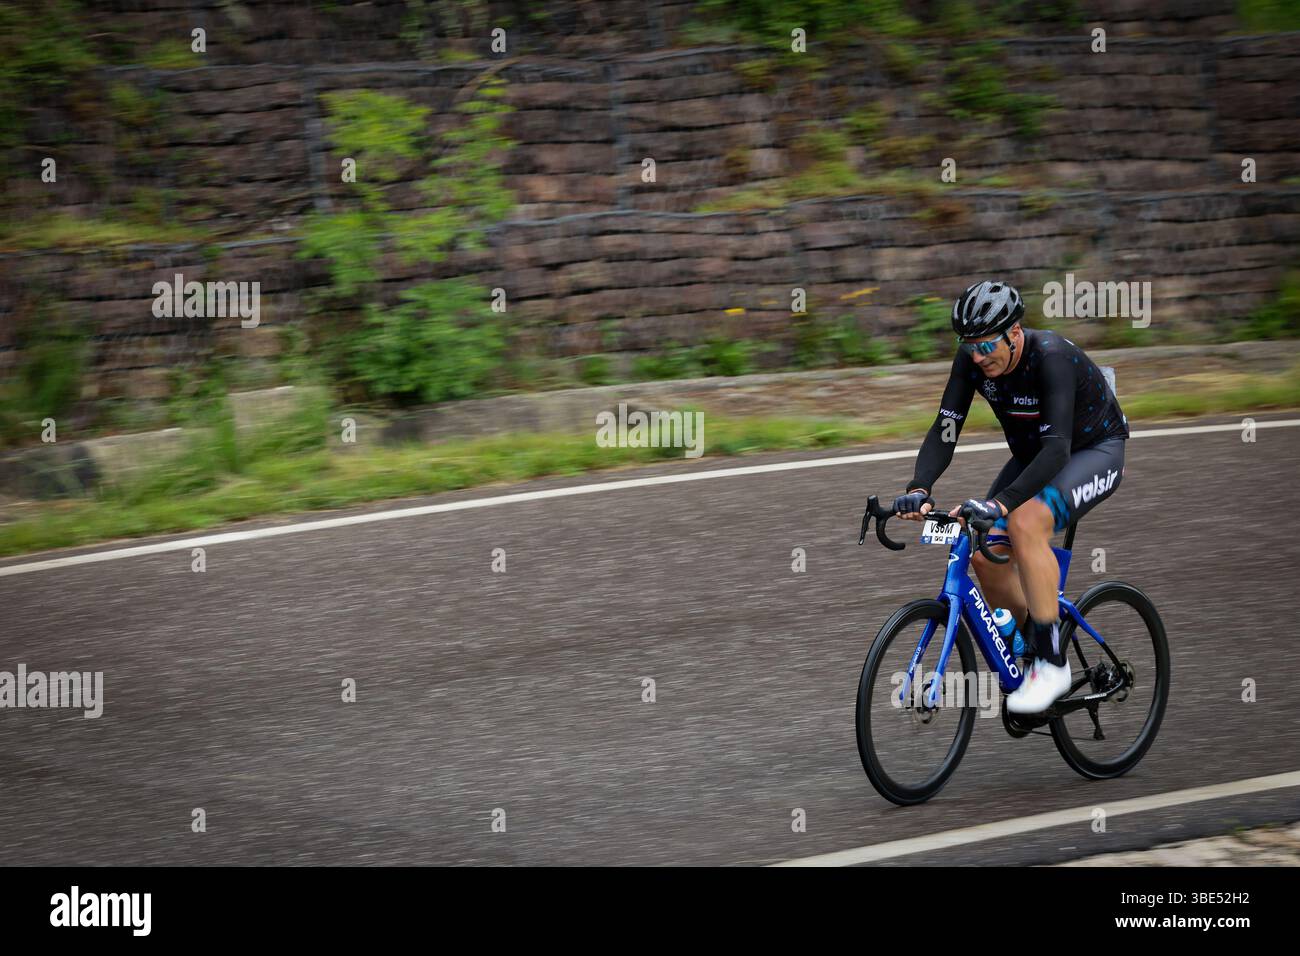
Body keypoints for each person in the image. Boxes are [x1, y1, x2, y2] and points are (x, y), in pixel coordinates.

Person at [892, 280, 1129, 713]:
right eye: (970, 347)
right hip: (1035, 455)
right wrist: (919, 488)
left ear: (1015, 333)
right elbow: (946, 430)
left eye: (986, 346)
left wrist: (1001, 504)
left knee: (1024, 523)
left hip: (1093, 450)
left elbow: (1057, 449)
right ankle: (1039, 639)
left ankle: (1052, 666)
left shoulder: (1051, 356)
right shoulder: (972, 361)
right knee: (985, 555)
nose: (979, 358)